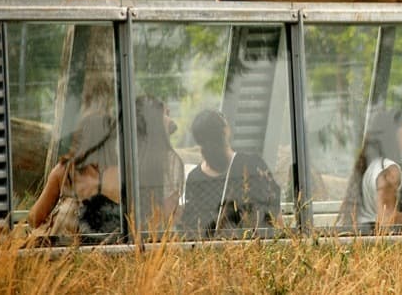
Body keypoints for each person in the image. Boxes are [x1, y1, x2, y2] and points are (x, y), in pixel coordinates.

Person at [180, 109, 282, 236]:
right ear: (226, 131)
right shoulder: (252, 165)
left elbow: (191, 227)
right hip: (249, 250)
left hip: (209, 252)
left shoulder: (195, 178)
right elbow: (273, 213)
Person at [337, 108, 402, 230]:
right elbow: (387, 220)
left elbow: (381, 209)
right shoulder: (390, 170)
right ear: (392, 134)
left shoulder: (373, 165)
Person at [28, 113, 122, 236]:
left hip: (64, 251)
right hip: (112, 251)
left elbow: (35, 218)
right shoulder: (122, 174)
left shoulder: (63, 172)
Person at [134, 95, 185, 229]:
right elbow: (169, 212)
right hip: (159, 237)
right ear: (155, 120)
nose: (171, 120)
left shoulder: (128, 157)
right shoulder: (170, 161)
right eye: (166, 113)